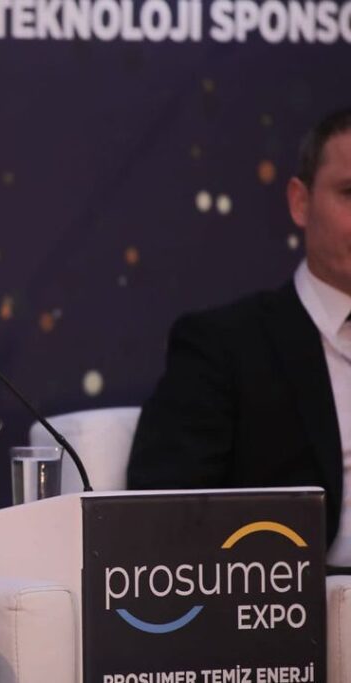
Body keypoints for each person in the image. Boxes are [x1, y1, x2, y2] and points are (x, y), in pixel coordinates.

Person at [127, 108, 351, 563]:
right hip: (298, 596)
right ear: (300, 202)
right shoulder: (222, 347)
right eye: (350, 193)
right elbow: (162, 520)